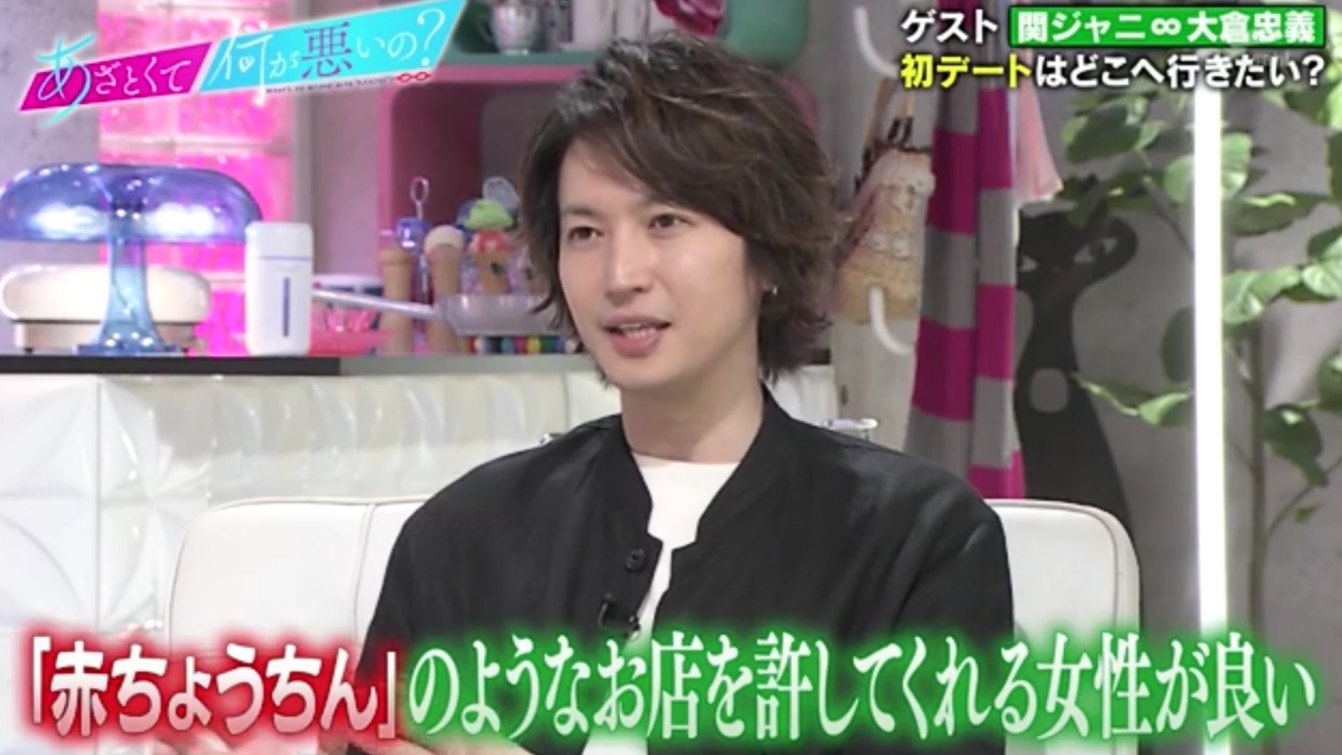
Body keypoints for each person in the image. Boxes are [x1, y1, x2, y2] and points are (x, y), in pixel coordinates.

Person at [346, 31, 1014, 755]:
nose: (620, 274)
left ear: (767, 254)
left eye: (665, 222)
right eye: (585, 232)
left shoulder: (918, 540)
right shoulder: (465, 533)